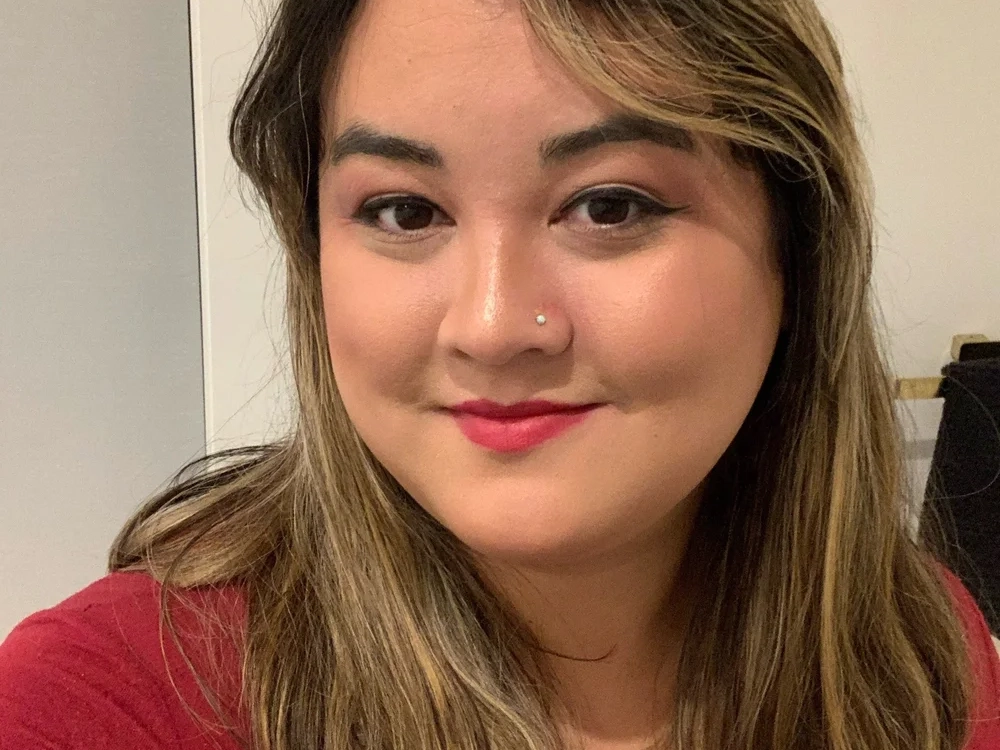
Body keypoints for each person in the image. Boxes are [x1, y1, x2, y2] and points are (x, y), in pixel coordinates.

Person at [2, 0, 998, 748]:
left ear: (798, 247)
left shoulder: (915, 655)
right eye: (402, 210)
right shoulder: (104, 704)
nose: (491, 327)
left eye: (609, 205)